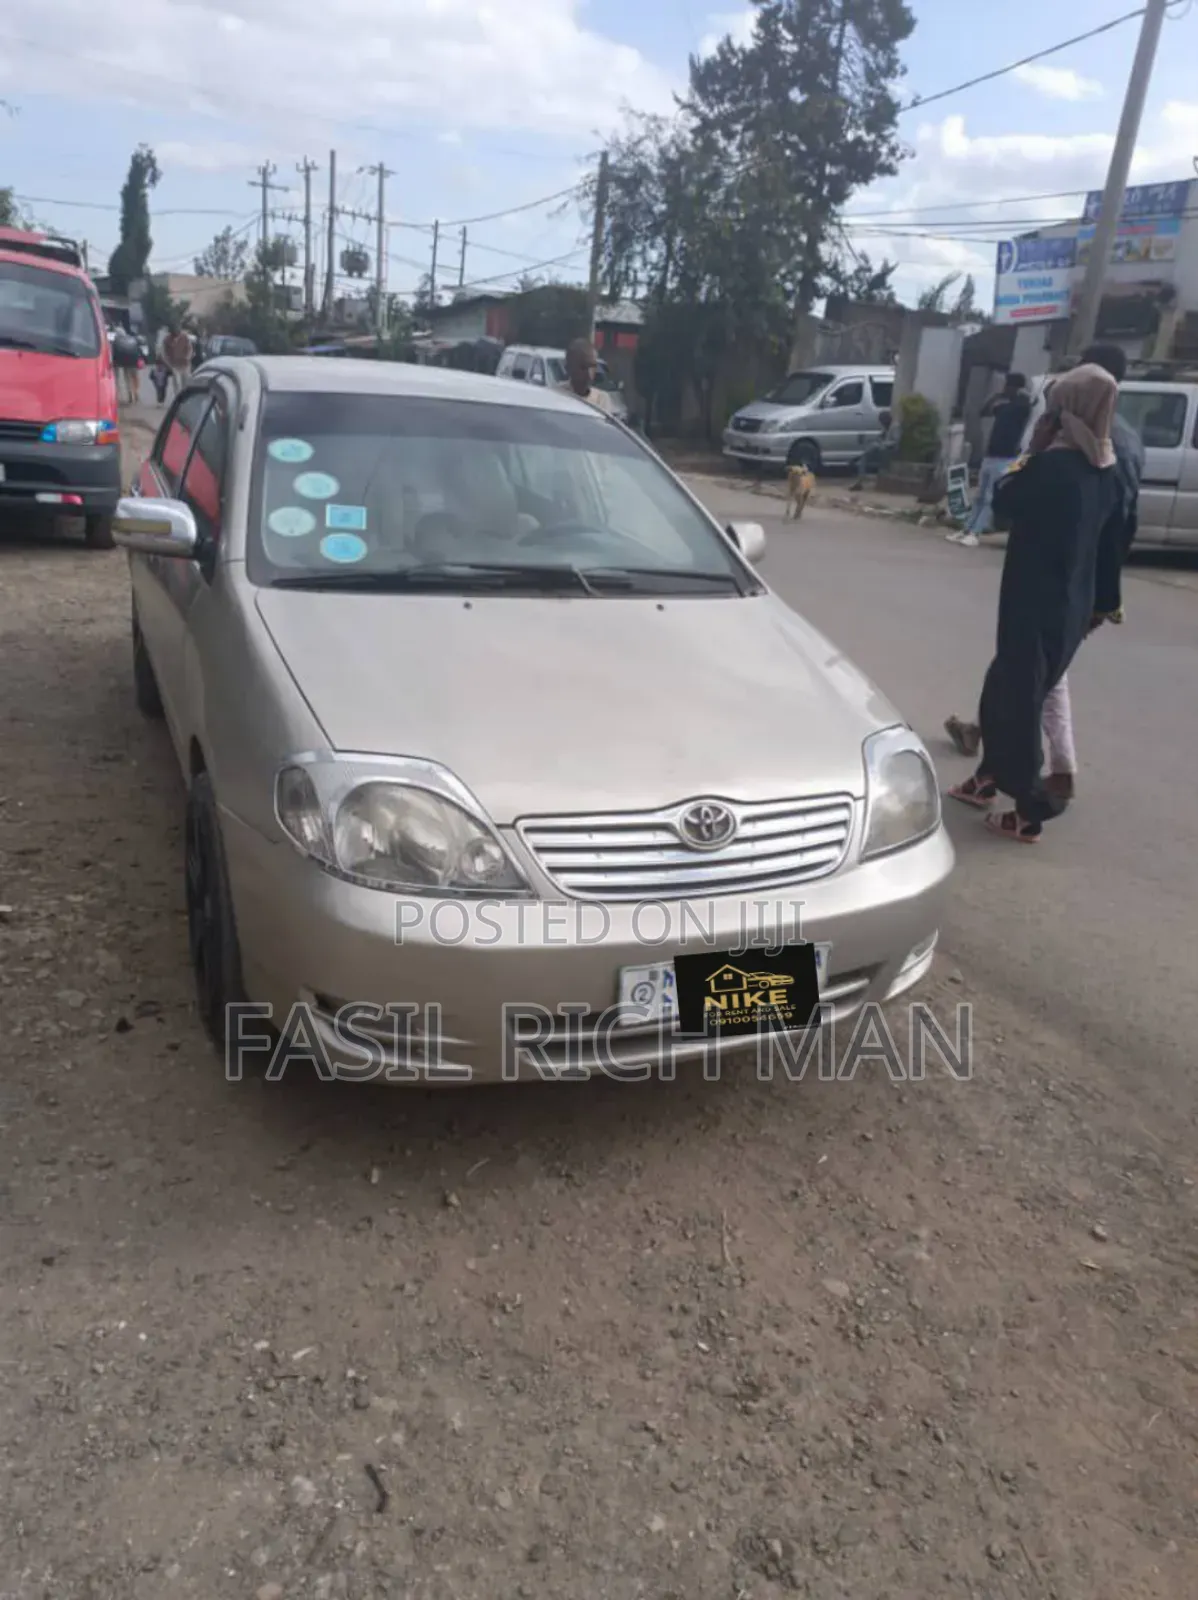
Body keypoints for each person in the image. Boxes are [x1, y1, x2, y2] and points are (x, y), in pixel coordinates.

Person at [944, 342, 1143, 800]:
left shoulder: (1056, 463)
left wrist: (1030, 451)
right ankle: (1000, 774)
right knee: (1025, 686)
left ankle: (1033, 793)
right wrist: (1105, 601)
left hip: (1036, 597)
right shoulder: (1112, 455)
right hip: (1077, 592)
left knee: (1024, 691)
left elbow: (1006, 500)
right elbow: (1118, 531)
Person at [948, 371, 1032, 548]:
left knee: (989, 497)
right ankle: (967, 529)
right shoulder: (1005, 404)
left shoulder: (1022, 406)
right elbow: (984, 411)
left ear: (1016, 387)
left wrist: (1014, 395)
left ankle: (976, 532)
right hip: (990, 455)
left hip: (1006, 457)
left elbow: (1027, 406)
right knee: (979, 496)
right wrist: (996, 396)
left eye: (1008, 385)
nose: (1005, 388)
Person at [556, 338, 615, 415]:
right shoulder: (557, 395)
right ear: (569, 368)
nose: (589, 374)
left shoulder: (601, 400)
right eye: (583, 367)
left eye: (593, 366)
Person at [850, 409, 898, 491]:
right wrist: (879, 440)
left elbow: (895, 441)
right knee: (865, 457)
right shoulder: (886, 427)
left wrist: (883, 444)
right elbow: (880, 437)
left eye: (883, 421)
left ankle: (860, 456)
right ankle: (859, 482)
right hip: (881, 450)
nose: (882, 423)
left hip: (890, 451)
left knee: (873, 448)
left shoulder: (895, 426)